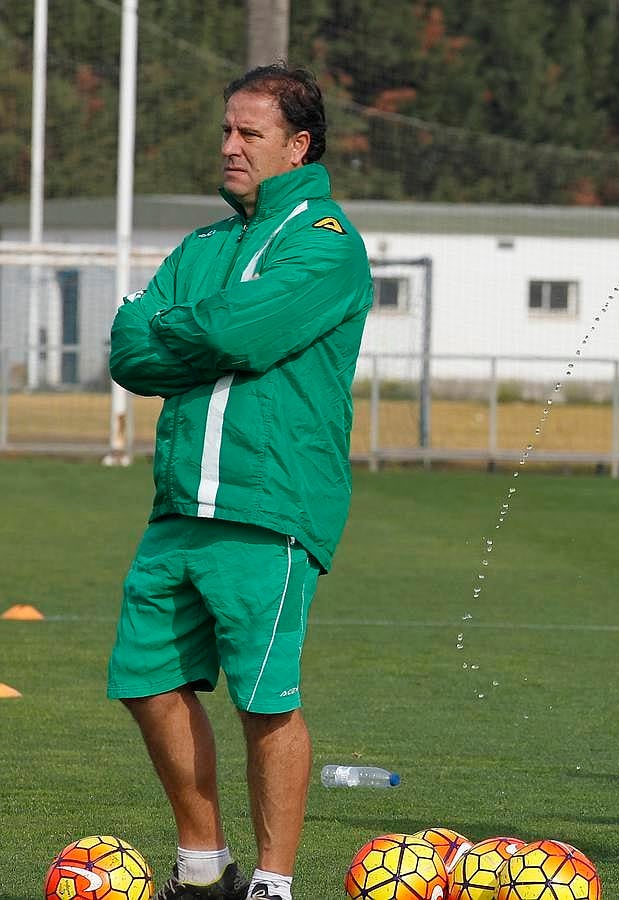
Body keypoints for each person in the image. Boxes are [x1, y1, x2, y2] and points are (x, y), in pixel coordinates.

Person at [106, 64, 372, 900]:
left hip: (270, 506)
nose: (229, 146)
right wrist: (206, 328)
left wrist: (186, 325)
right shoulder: (203, 247)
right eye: (226, 129)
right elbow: (128, 349)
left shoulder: (326, 240)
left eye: (248, 133)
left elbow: (250, 334)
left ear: (297, 145)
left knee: (264, 702)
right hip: (179, 505)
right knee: (145, 682)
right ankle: (201, 865)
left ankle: (273, 882)